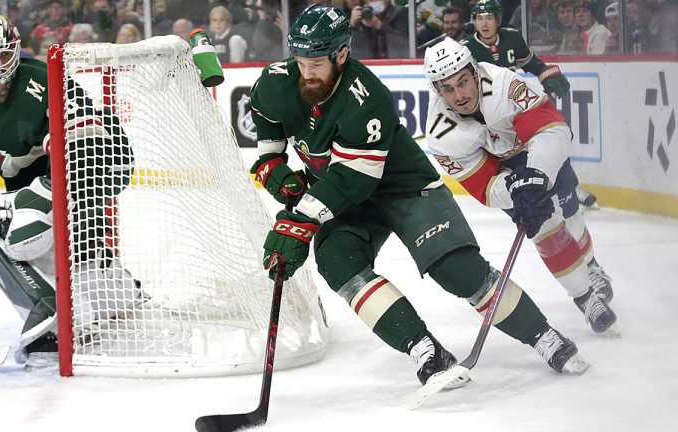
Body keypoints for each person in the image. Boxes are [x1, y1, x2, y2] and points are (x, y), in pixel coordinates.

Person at [251, 4, 590, 386]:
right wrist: (270, 159)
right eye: (300, 60)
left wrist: (300, 219)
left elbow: (354, 178)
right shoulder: (277, 80)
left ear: (341, 54)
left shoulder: (366, 96)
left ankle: (542, 334)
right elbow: (266, 114)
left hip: (404, 188)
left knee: (457, 271)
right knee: (337, 263)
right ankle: (424, 348)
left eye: (316, 63)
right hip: (342, 197)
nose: (306, 72)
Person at [0, 12, 139, 369]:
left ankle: (52, 328)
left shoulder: (42, 80)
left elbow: (88, 148)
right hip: (46, 180)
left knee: (12, 225)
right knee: (25, 227)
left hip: (97, 163)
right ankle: (115, 293)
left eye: (5, 55)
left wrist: (48, 191)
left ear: (17, 50)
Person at [423, 37, 619, 336]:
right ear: (436, 91)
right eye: (447, 89)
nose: (459, 95)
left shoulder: (504, 83)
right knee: (545, 229)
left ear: (475, 73)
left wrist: (537, 173)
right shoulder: (439, 134)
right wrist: (515, 187)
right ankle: (586, 298)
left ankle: (591, 265)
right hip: (507, 173)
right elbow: (485, 187)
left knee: (569, 213)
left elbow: (552, 129)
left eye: (462, 82)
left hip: (539, 148)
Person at [465, 0, 598, 209]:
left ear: (498, 20)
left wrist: (547, 76)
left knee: (549, 141)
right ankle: (524, 195)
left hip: (518, 106)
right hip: (492, 117)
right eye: (479, 18)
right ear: (473, 21)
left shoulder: (512, 37)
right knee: (515, 159)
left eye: (489, 17)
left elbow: (533, 63)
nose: (484, 23)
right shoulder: (466, 50)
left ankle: (572, 187)